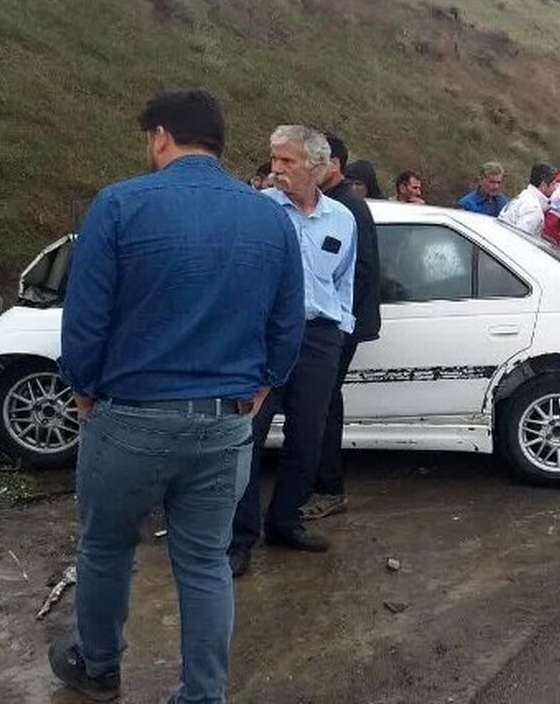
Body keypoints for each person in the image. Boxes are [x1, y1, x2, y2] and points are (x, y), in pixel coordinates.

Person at [52, 90, 304, 703]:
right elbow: (288, 322)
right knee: (205, 562)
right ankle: (202, 695)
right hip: (223, 426)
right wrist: (263, 381)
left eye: (149, 139)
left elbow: (85, 320)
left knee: (108, 547)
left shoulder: (119, 206)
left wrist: (84, 390)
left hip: (129, 418)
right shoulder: (270, 217)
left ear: (162, 137)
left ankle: (100, 666)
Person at [230, 126, 357, 576]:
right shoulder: (258, 210)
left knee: (309, 437)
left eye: (287, 161)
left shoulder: (342, 218)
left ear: (317, 168)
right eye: (274, 160)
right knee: (246, 436)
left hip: (320, 339)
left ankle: (284, 521)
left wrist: (341, 326)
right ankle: (239, 538)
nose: (277, 169)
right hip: (264, 338)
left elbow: (344, 280)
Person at [302, 133, 382, 523]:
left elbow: (361, 272)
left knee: (325, 404)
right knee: (320, 404)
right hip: (329, 323)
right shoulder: (326, 203)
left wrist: (335, 319)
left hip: (337, 325)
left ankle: (329, 488)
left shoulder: (348, 208)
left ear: (334, 165)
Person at [499, 162, 556, 237]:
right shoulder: (534, 210)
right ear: (543, 185)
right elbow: (518, 241)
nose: (555, 188)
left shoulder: (522, 197)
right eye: (553, 184)